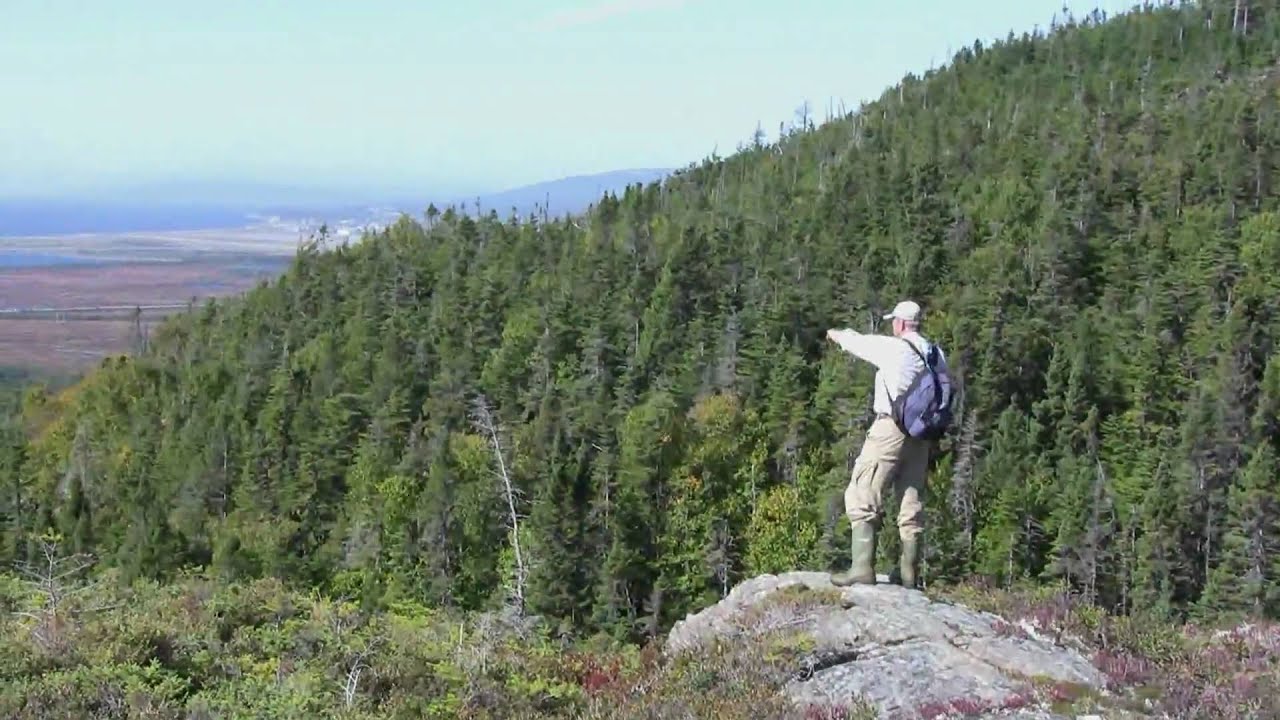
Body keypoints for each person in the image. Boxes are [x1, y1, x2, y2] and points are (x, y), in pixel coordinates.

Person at [824, 299, 950, 588]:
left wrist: (836, 334)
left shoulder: (895, 348)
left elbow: (858, 343)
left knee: (863, 490)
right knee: (911, 499)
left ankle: (862, 568)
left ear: (901, 323)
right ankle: (909, 574)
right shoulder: (936, 353)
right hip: (921, 434)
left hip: (890, 428)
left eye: (895, 321)